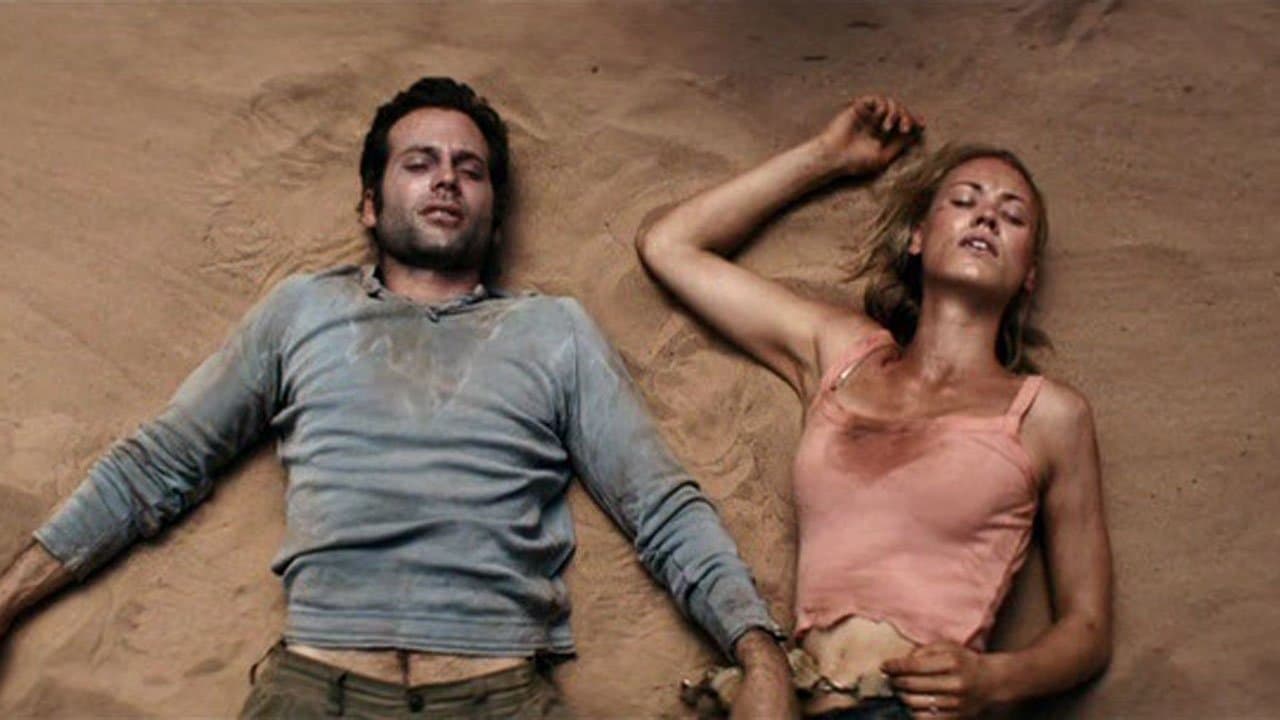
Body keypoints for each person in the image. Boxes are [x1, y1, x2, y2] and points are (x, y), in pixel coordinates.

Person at [0, 77, 797, 719]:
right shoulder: (303, 310)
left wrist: (760, 660)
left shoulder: (553, 331)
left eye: (470, 168)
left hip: (497, 694)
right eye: (419, 162)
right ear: (370, 204)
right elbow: (156, 466)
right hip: (317, 691)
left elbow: (659, 507)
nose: (447, 177)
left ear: (493, 212)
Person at [636, 95, 1112, 719]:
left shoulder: (1047, 415)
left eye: (1013, 215)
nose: (986, 217)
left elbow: (1087, 629)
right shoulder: (844, 355)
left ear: (1028, 274)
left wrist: (995, 679)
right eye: (963, 201)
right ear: (918, 237)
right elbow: (670, 245)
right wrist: (827, 156)